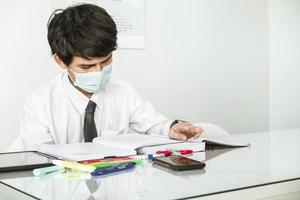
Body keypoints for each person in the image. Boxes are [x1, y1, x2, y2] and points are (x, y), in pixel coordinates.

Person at [19, 4, 203, 150]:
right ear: (60, 61)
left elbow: (153, 124)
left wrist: (172, 128)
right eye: (86, 66)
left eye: (106, 61)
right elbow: (40, 162)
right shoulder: (39, 105)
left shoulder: (123, 91)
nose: (98, 71)